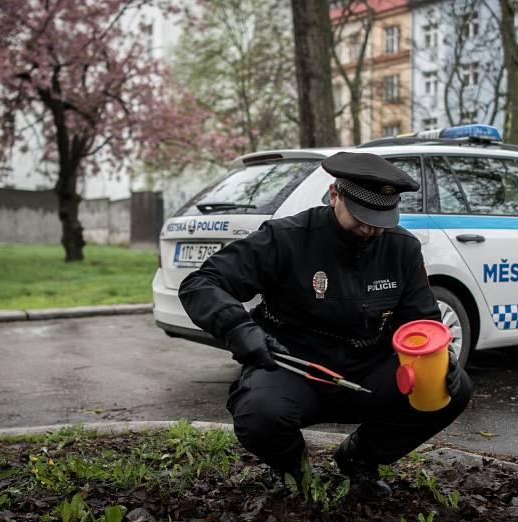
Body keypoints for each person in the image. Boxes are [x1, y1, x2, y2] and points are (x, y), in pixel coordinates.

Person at [178, 152, 473, 497]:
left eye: (381, 218)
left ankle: (360, 459)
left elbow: (420, 322)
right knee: (259, 415)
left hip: (369, 372)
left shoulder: (401, 248)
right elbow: (202, 283)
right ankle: (293, 470)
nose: (372, 228)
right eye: (362, 216)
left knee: (453, 389)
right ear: (335, 195)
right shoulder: (286, 238)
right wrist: (239, 329)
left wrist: (441, 359)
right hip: (293, 367)